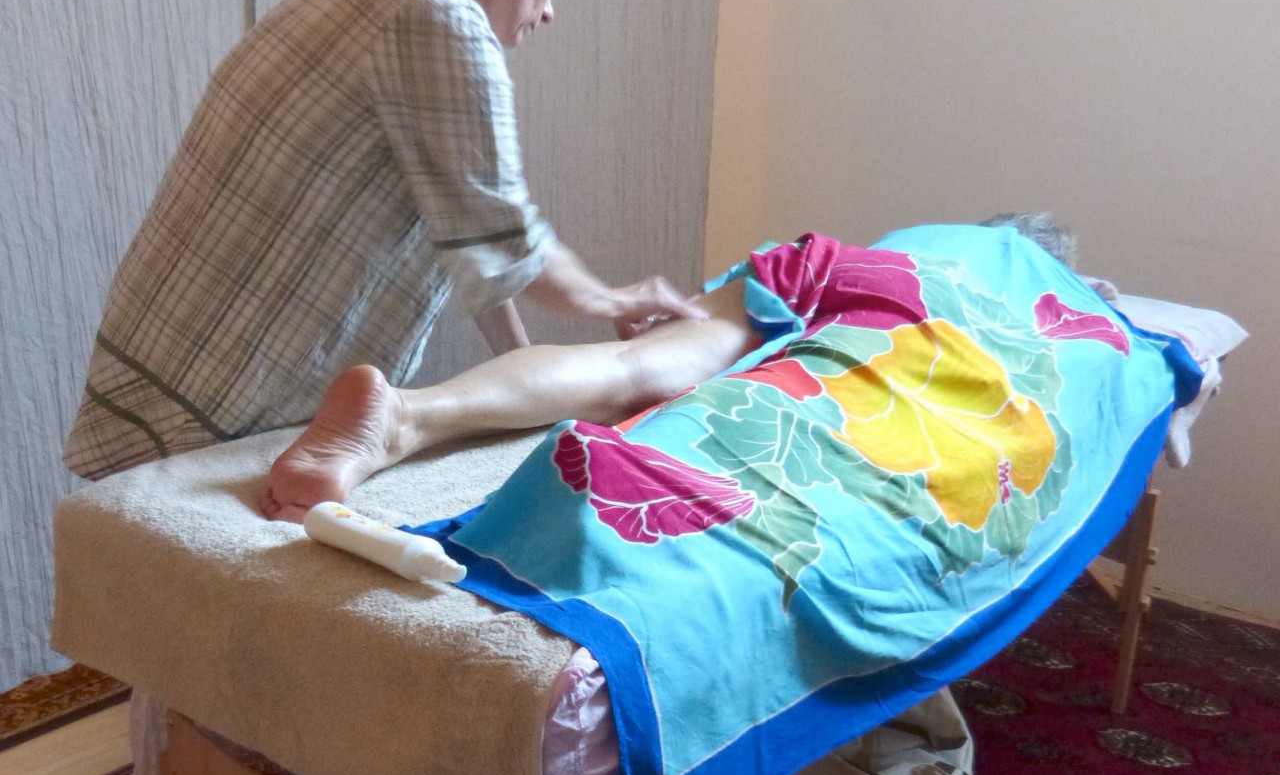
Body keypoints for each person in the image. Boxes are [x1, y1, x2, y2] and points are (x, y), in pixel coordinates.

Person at [63, 0, 705, 483]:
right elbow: (509, 245)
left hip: (160, 377)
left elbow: (471, 240)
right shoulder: (438, 19)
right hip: (213, 406)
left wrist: (527, 385)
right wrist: (618, 299)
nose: (548, 9)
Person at [262, 212, 1079, 520]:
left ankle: (404, 414)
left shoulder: (918, 245)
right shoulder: (1031, 293)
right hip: (925, 331)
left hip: (822, 264)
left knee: (629, 365)